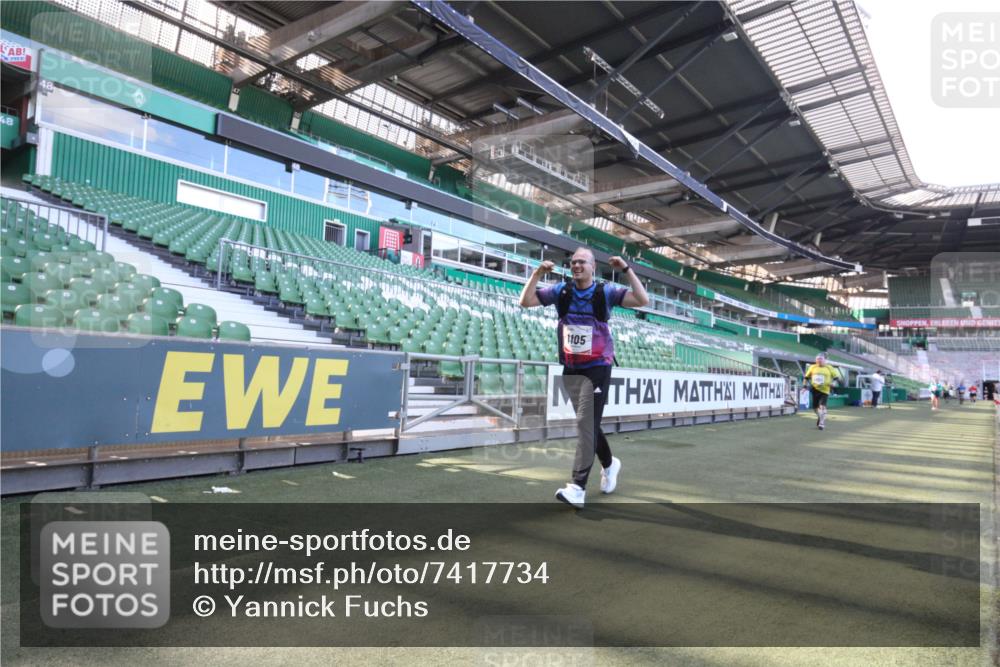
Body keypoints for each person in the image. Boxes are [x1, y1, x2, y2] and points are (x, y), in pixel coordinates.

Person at [519, 247, 649, 508]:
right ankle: (610, 464)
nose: (576, 265)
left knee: (584, 424)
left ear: (593, 267)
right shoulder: (562, 291)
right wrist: (536, 273)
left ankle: (577, 487)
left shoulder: (605, 292)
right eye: (574, 262)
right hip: (571, 367)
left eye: (582, 262)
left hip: (598, 367)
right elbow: (526, 301)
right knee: (588, 423)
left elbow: (642, 300)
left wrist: (625, 269)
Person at [803, 354, 841, 430]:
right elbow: (806, 378)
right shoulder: (812, 367)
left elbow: (837, 378)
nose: (819, 361)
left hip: (825, 390)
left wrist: (833, 383)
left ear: (824, 360)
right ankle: (820, 417)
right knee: (815, 408)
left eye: (821, 359)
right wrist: (804, 387)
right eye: (817, 359)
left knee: (822, 406)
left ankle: (821, 423)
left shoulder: (829, 367)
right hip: (815, 389)